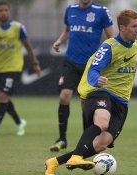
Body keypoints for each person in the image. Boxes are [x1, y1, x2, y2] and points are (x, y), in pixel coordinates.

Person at [44, 9, 137, 175]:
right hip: (100, 92)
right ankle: (75, 157)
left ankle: (54, 162)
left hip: (121, 102)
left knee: (101, 144)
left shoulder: (136, 46)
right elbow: (94, 69)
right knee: (102, 123)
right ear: (122, 27)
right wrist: (97, 80)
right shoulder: (109, 46)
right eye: (134, 26)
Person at [49, 0, 114, 151]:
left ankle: (89, 139)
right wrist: (59, 41)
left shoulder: (101, 11)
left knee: (86, 104)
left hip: (91, 65)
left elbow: (111, 38)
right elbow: (67, 31)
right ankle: (62, 139)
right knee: (64, 96)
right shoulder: (70, 9)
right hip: (71, 61)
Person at [0, 1, 41, 136]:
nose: (3, 13)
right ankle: (19, 122)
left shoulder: (18, 27)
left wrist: (35, 63)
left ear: (9, 12)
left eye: (6, 10)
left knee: (3, 95)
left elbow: (28, 46)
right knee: (4, 98)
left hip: (13, 67)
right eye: (1, 10)